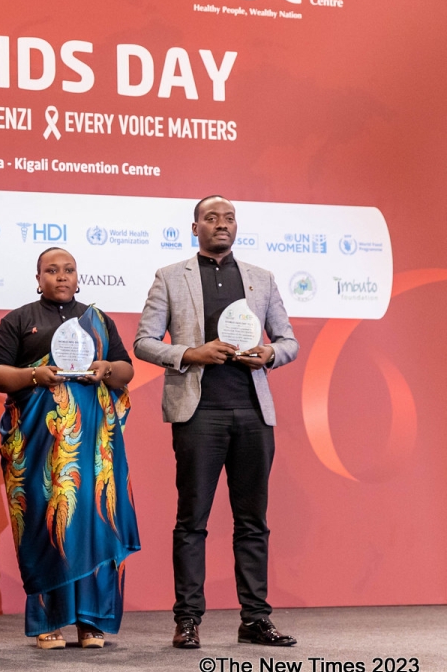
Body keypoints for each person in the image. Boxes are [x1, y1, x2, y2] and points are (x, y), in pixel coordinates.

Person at [134, 195, 300, 649]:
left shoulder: (262, 279)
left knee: (252, 522)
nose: (220, 224)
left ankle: (255, 619)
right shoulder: (170, 277)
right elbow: (144, 342)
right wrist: (191, 353)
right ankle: (188, 619)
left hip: (253, 411)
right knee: (192, 520)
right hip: (198, 412)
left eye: (228, 218)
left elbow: (288, 340)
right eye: (211, 218)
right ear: (195, 227)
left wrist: (270, 354)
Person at [0, 247, 140, 650]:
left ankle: (91, 622)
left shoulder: (98, 321)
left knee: (93, 522)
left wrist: (106, 370)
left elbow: (125, 369)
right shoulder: (19, 319)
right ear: (37, 278)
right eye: (51, 270)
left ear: (78, 277)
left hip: (92, 451)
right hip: (39, 450)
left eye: (68, 270)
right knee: (47, 521)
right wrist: (33, 375)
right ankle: (47, 621)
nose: (61, 276)